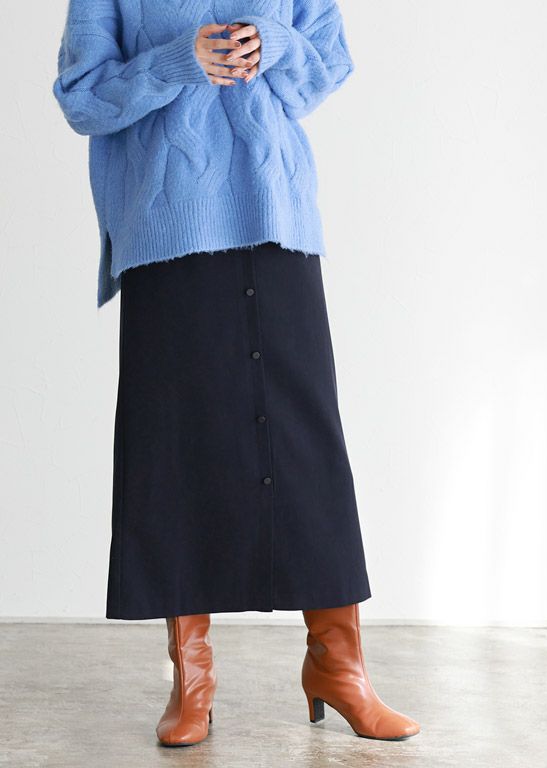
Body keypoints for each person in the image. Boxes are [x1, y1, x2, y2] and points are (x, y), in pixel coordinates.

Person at [52, 0, 420, 747]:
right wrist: (177, 63)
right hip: (167, 229)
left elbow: (328, 64)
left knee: (308, 447)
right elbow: (82, 98)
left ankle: (339, 668)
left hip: (278, 216)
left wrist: (274, 44)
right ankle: (192, 682)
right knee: (178, 449)